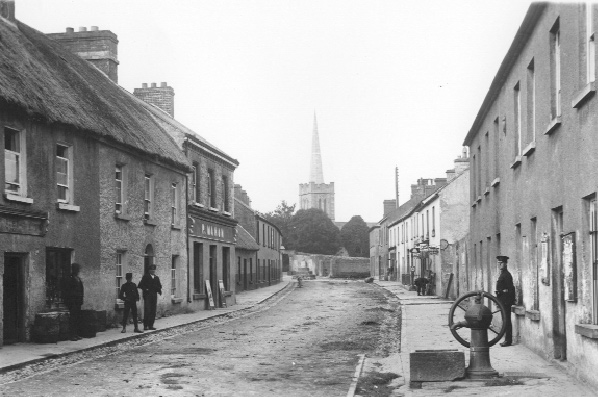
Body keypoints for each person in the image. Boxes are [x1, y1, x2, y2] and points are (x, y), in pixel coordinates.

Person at [495, 255, 516, 347]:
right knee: (505, 320)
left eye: (501, 263)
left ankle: (508, 341)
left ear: (506, 264)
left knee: (507, 321)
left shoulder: (507, 275)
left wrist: (508, 301)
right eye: (499, 263)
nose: (500, 265)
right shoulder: (502, 274)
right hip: (502, 300)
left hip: (506, 301)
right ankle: (506, 339)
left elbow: (511, 289)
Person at [63, 263, 84, 341]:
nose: (78, 271)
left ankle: (76, 334)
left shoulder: (78, 278)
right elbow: (67, 291)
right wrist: (70, 301)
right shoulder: (70, 278)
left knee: (77, 318)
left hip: (78, 301)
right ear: (73, 269)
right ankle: (71, 335)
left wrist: (81, 299)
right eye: (77, 269)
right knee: (73, 319)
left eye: (78, 269)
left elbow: (81, 290)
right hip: (72, 302)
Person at [137, 264, 162, 331]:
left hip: (154, 296)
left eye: (154, 270)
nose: (153, 271)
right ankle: (145, 325)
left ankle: (151, 325)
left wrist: (159, 290)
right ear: (149, 270)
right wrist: (146, 289)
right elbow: (141, 285)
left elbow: (160, 286)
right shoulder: (146, 276)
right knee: (147, 310)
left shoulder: (156, 278)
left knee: (153, 310)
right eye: (151, 270)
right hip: (147, 295)